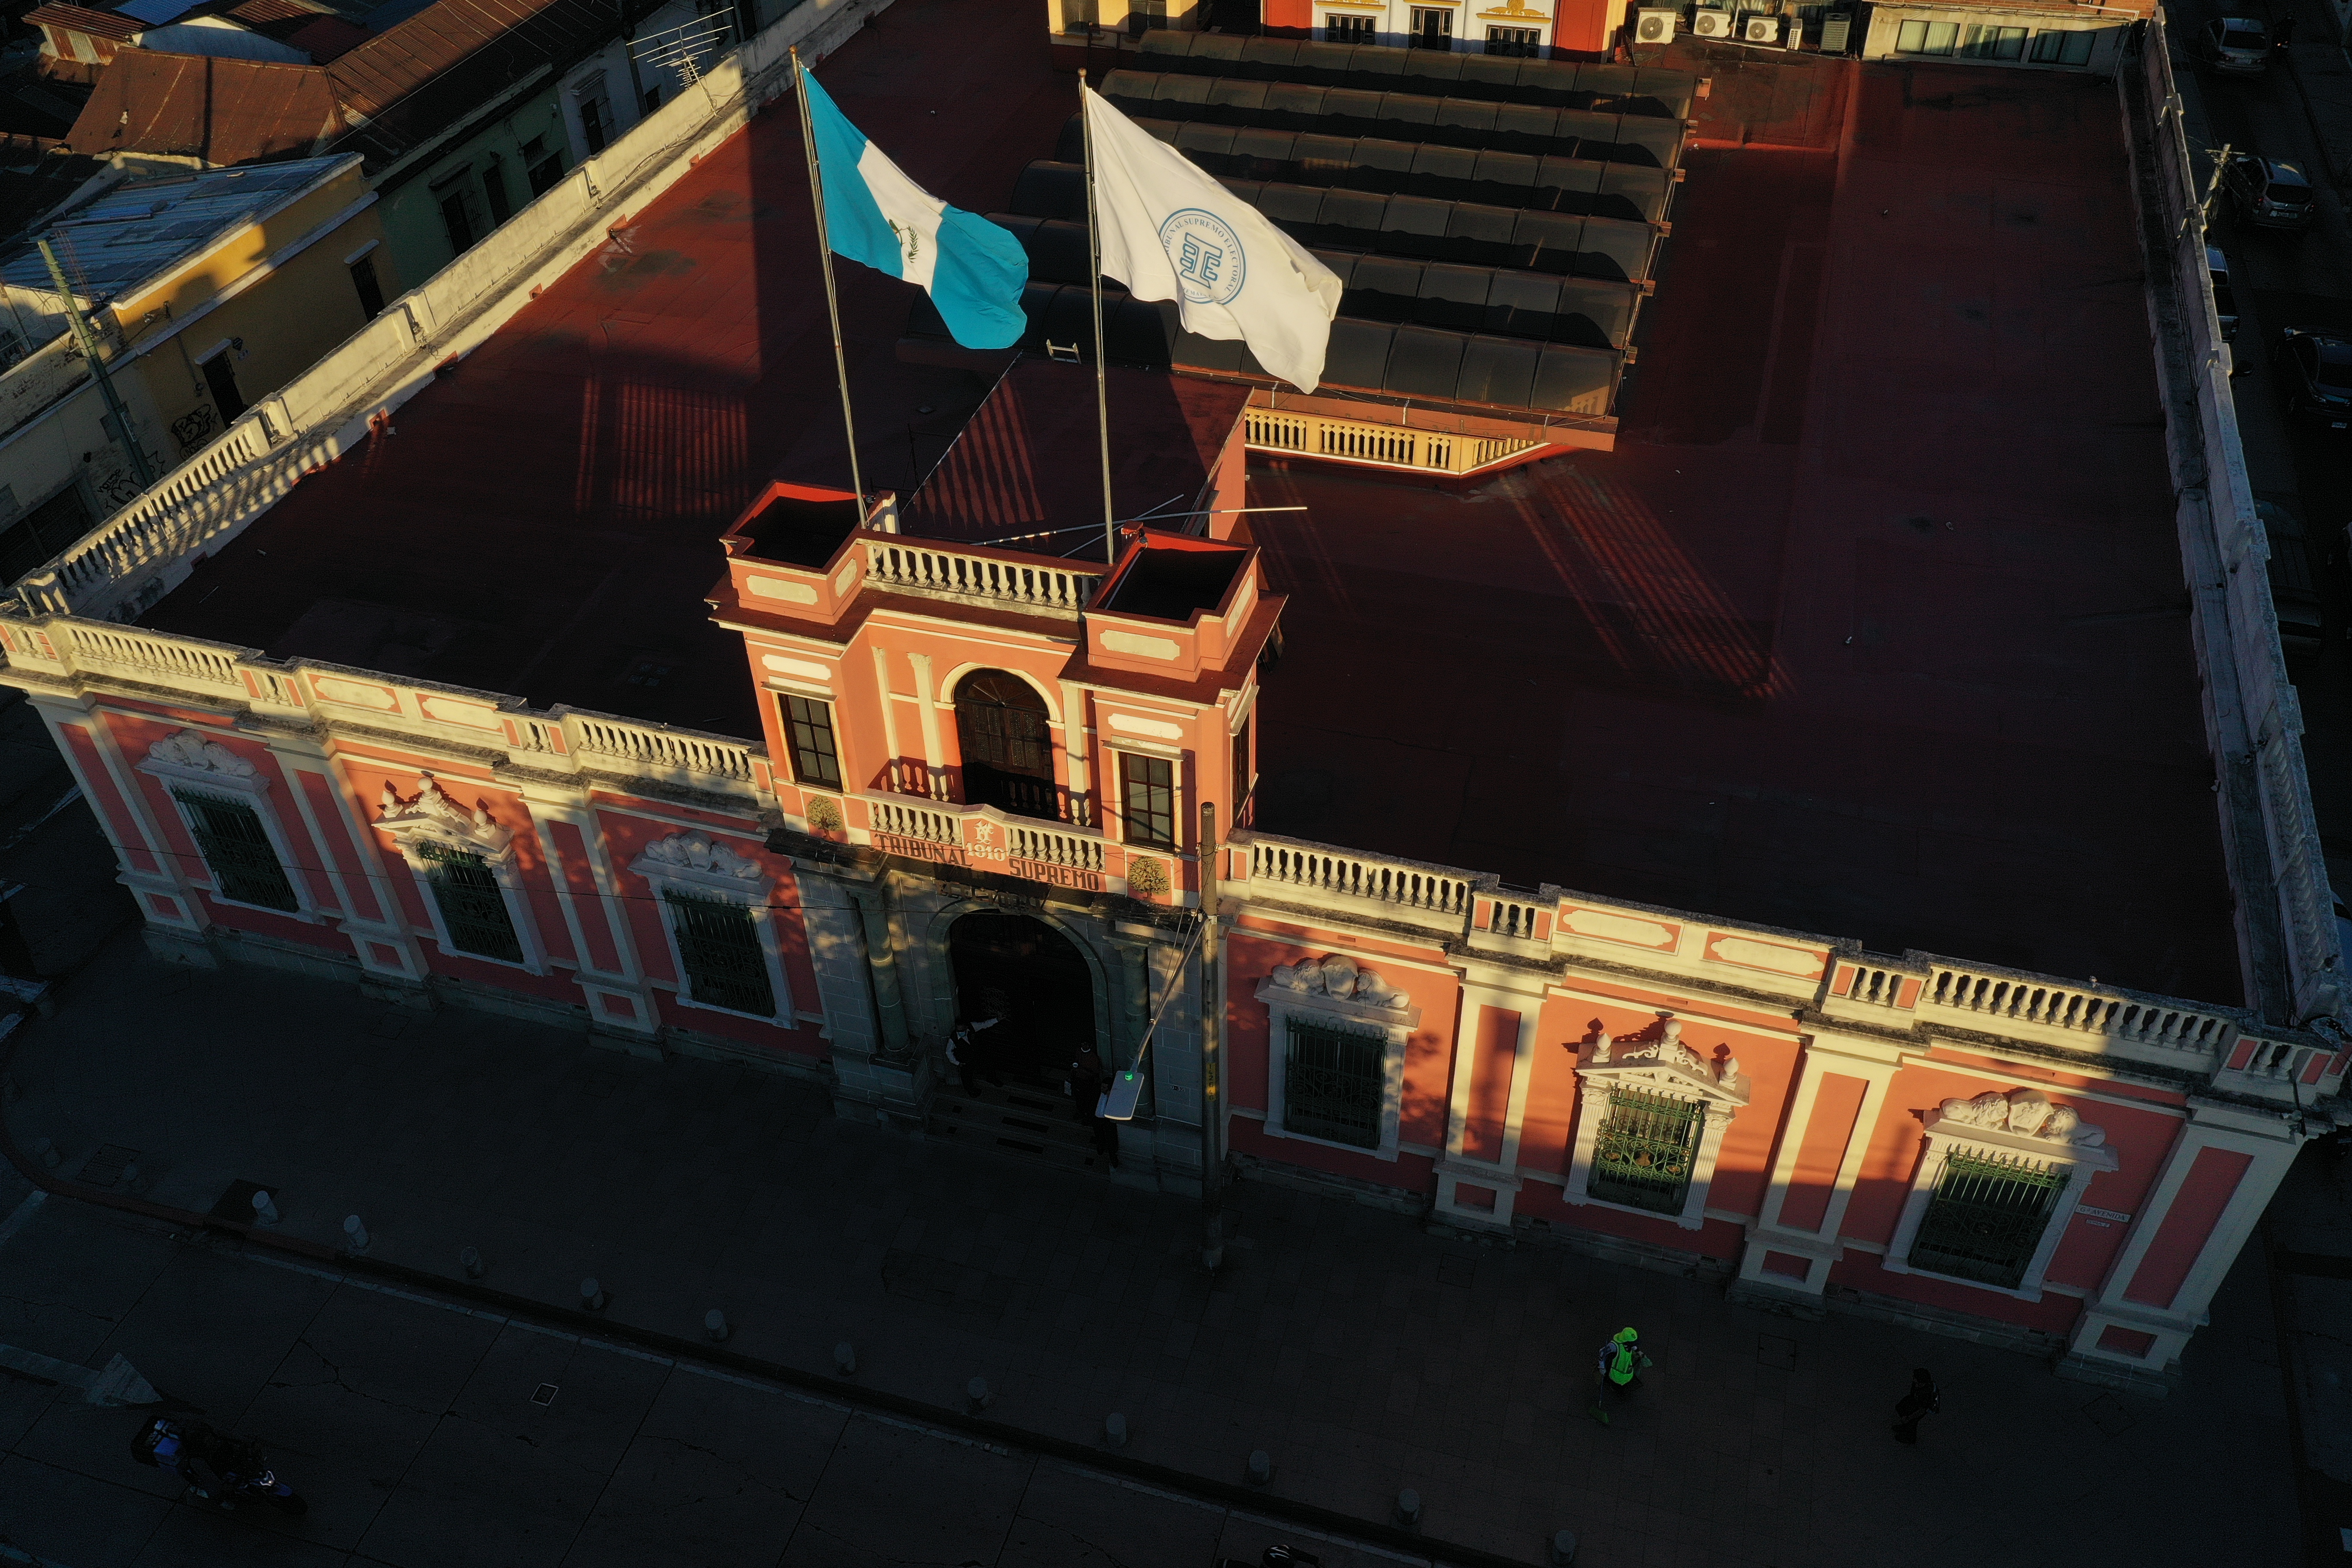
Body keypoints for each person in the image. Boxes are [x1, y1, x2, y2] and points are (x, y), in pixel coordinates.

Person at [1589, 1326, 1645, 1425]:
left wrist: (1639, 1351)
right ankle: (1615, 1387)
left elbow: (1633, 1347)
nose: (1634, 1345)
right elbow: (1602, 1353)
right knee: (1618, 1386)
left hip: (1625, 1370)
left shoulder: (1627, 1344)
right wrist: (1602, 1368)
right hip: (1616, 1374)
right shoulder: (1614, 1346)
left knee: (1622, 1385)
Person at [946, 1016, 999, 1094]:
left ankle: (991, 1078)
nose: (960, 1032)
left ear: (966, 1027)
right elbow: (949, 1052)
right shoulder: (954, 1038)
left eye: (962, 1030)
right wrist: (957, 1063)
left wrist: (997, 1020)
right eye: (958, 1030)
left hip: (976, 1053)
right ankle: (970, 1090)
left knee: (989, 1062)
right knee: (966, 1075)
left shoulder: (972, 1027)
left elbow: (984, 1025)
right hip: (966, 1058)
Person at [1891, 1368, 1940, 1444]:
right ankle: (1905, 1427)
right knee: (1900, 1408)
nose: (1914, 1381)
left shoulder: (1926, 1394)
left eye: (1915, 1379)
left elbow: (1921, 1410)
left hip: (1921, 1406)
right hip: (1915, 1400)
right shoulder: (1918, 1384)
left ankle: (1910, 1439)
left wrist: (1909, 1418)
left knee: (1913, 1422)